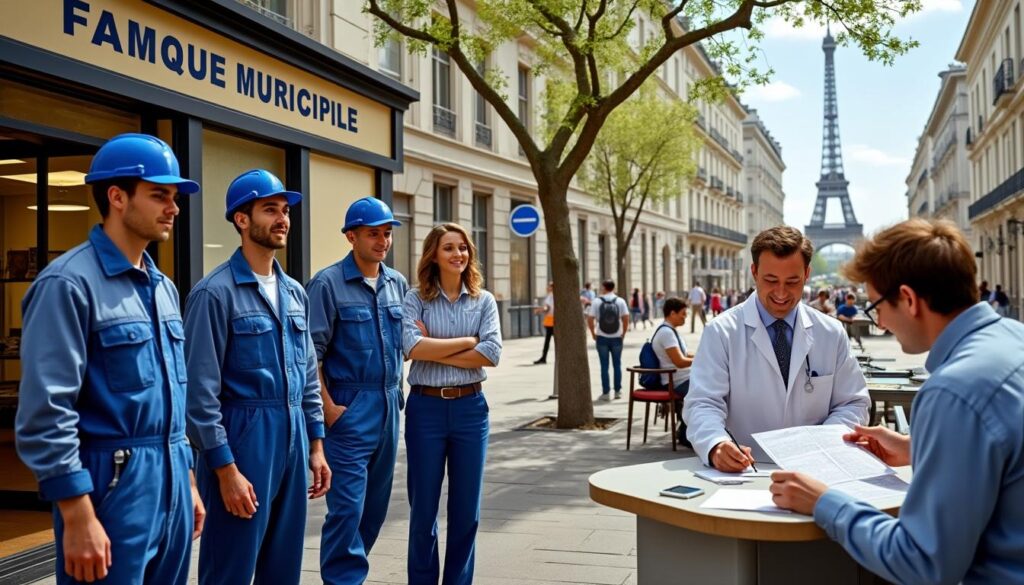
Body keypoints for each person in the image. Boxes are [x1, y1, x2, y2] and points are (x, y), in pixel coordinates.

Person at [770, 218, 1024, 584]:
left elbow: (922, 563)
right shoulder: (1012, 339)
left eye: (875, 307)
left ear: (908, 299)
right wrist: (917, 449)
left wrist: (824, 502)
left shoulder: (951, 391)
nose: (881, 324)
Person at [15, 133, 205, 584]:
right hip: (112, 485)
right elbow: (46, 412)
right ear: (117, 197)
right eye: (159, 195)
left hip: (172, 477)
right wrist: (77, 512)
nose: (173, 208)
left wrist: (189, 481)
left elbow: (174, 396)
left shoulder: (162, 287)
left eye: (175, 197)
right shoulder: (68, 284)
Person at [184, 170, 329, 584]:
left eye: (285, 211)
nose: (283, 219)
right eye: (271, 209)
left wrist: (316, 446)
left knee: (284, 568)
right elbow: (200, 394)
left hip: (293, 439)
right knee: (230, 566)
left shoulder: (296, 293)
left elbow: (306, 380)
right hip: (244, 441)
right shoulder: (214, 293)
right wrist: (225, 470)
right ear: (242, 220)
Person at [683, 226, 870, 470]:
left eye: (792, 281)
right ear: (754, 272)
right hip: (743, 471)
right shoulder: (721, 331)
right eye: (771, 280)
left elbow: (853, 403)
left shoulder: (831, 332)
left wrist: (824, 442)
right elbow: (702, 402)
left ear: (807, 274)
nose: (781, 293)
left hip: (815, 469)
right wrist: (716, 444)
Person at [306, 196, 407, 584]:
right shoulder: (327, 284)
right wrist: (328, 409)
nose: (382, 241)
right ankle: (343, 579)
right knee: (346, 509)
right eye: (372, 234)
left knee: (375, 509)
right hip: (349, 411)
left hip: (387, 409)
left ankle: (350, 574)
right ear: (352, 237)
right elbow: (310, 356)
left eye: (386, 234)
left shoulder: (397, 284)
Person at [402, 223, 502, 585]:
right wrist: (468, 342)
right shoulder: (415, 298)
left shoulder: (483, 300)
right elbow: (411, 348)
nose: (458, 254)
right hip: (425, 411)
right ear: (433, 254)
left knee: (466, 511)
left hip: (470, 411)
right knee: (423, 508)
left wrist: (437, 349)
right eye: (448, 248)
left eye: (462, 247)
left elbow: (490, 354)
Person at [651, 297, 695, 443]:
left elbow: (684, 354)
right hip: (676, 380)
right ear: (672, 313)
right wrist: (701, 361)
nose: (685, 317)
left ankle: (685, 429)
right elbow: (680, 362)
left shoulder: (671, 331)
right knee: (709, 391)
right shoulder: (666, 333)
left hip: (681, 378)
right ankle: (685, 432)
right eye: (683, 313)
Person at [588, 280, 631, 401]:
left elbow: (590, 319)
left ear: (603, 287)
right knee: (617, 364)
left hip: (602, 337)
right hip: (617, 337)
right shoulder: (620, 301)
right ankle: (618, 391)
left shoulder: (597, 301)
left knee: (604, 365)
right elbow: (626, 318)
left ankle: (606, 392)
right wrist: (623, 333)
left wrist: (593, 333)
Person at [534, 281, 554, 364]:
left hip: (552, 322)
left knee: (548, 341)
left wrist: (539, 310)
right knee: (548, 340)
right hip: (550, 321)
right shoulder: (551, 296)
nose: (547, 287)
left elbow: (547, 308)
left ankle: (543, 358)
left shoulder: (551, 296)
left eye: (549, 286)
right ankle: (543, 357)